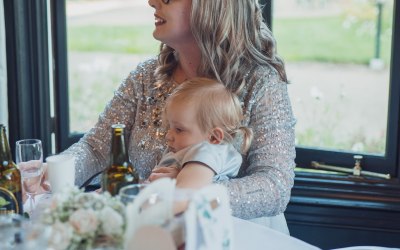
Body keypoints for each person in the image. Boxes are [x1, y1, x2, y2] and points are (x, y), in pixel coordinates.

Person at [61, 0, 296, 234]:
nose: (152, 2)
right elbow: (96, 148)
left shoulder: (261, 82)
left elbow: (274, 186)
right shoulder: (145, 78)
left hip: (234, 237)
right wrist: (51, 174)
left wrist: (189, 190)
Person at [147, 77, 253, 188]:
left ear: (213, 137)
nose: (168, 136)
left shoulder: (207, 151)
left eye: (179, 129)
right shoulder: (186, 150)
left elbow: (185, 194)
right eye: (170, 127)